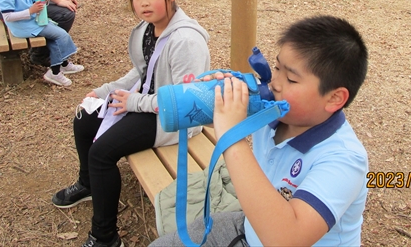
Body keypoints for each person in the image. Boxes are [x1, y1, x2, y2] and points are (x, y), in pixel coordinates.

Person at [151, 15, 369, 247]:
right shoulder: (274, 111)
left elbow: (287, 239)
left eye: (292, 79)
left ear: (335, 98)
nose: (274, 82)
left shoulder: (344, 159)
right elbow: (217, 117)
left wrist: (232, 136)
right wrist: (214, 96)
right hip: (251, 229)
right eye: (276, 67)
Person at [52, 0, 210, 247]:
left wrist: (134, 102)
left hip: (176, 119)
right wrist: (102, 92)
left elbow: (188, 100)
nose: (144, 3)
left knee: (102, 153)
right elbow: (141, 73)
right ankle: (88, 183)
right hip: (147, 104)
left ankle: (105, 237)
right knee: (84, 118)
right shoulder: (148, 30)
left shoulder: (186, 40)